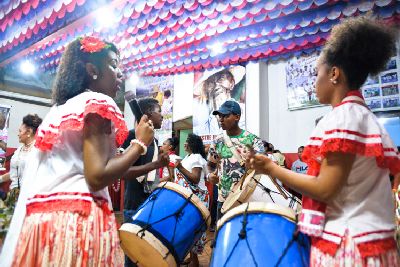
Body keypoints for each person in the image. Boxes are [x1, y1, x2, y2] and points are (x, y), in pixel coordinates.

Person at [249, 17, 399, 266]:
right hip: (369, 240)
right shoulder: (363, 116)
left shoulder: (343, 118)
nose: (313, 81)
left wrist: (272, 168)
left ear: (334, 74)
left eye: (315, 72)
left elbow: (326, 188)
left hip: (349, 245)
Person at [0, 36, 155, 266]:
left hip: (42, 223)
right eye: (113, 65)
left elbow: (95, 166)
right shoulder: (98, 102)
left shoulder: (61, 109)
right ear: (92, 70)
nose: (120, 74)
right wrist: (139, 143)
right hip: (76, 221)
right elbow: (96, 176)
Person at [121, 97, 169, 267]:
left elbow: (152, 174)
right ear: (149, 114)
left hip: (150, 203)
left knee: (148, 252)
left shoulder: (154, 141)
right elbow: (124, 173)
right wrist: (156, 164)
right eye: (159, 112)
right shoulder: (132, 135)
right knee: (132, 254)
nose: (162, 116)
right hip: (134, 203)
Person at [207, 100, 264, 220]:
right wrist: (210, 175)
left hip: (247, 198)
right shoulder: (217, 142)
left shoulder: (253, 140)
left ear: (237, 117)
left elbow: (263, 169)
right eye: (220, 116)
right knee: (223, 236)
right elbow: (211, 165)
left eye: (225, 116)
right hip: (224, 201)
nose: (221, 119)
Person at [0, 114, 42, 242]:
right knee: (6, 231)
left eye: (20, 131)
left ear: (29, 132)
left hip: (27, 198)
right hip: (13, 196)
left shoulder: (38, 151)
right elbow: (14, 174)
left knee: (18, 235)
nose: (18, 134)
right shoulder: (19, 150)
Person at [173, 133, 209, 267]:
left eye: (187, 141)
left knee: (193, 228)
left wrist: (180, 167)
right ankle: (191, 257)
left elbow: (194, 178)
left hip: (197, 198)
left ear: (193, 144)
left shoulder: (197, 158)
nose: (184, 143)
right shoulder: (189, 156)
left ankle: (195, 261)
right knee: (188, 227)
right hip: (189, 198)